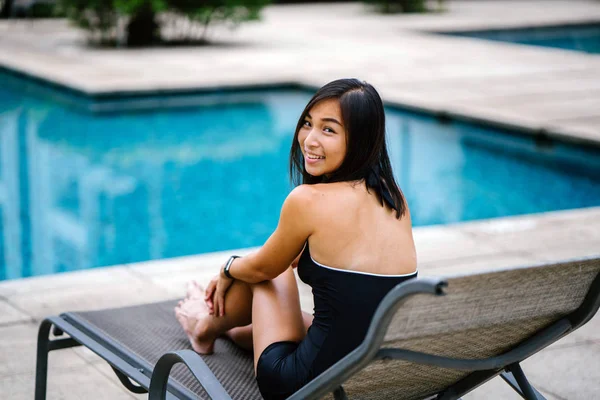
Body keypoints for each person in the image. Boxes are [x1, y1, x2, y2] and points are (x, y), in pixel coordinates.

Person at [175, 78, 418, 400]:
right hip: (376, 375)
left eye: (328, 130)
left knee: (270, 274)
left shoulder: (308, 200)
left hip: (307, 386)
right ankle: (216, 326)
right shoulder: (394, 198)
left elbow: (262, 269)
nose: (309, 140)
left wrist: (227, 269)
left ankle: (203, 328)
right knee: (283, 292)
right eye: (307, 124)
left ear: (360, 139)